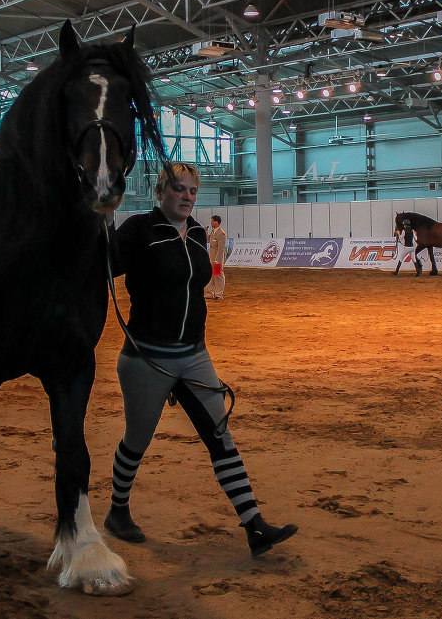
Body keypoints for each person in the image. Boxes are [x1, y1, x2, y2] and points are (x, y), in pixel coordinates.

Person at [104, 162, 297, 558]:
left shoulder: (196, 233)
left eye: (192, 190)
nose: (187, 196)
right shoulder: (138, 231)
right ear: (160, 192)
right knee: (137, 441)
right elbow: (105, 266)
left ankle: (254, 526)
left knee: (220, 439)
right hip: (147, 359)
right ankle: (117, 511)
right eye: (179, 189)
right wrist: (103, 222)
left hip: (194, 356)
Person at [203, 214, 227, 299]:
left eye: (212, 221)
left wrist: (217, 260)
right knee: (211, 276)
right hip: (211, 257)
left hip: (216, 258)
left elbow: (221, 248)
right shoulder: (213, 232)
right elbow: (208, 240)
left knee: (218, 275)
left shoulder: (221, 233)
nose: (211, 223)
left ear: (216, 222)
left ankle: (218, 294)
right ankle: (209, 293)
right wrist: (205, 232)